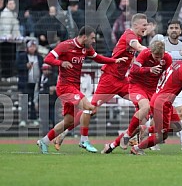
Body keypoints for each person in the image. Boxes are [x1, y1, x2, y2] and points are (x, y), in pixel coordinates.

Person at [53, 13, 147, 151]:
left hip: (122, 80)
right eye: (144, 25)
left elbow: (129, 53)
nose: (146, 27)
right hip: (109, 78)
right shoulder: (130, 36)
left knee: (142, 103)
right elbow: (137, 46)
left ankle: (132, 136)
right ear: (136, 24)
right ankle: (64, 132)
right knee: (91, 109)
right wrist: (152, 51)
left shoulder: (135, 37)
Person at [36, 25, 127, 154]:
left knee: (69, 121)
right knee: (89, 107)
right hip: (65, 87)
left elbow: (98, 58)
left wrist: (114, 61)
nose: (94, 41)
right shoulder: (65, 46)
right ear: (84, 37)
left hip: (74, 87)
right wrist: (61, 63)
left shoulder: (86, 48)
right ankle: (84, 140)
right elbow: (48, 59)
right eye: (92, 38)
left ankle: (43, 141)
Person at [130, 48, 182, 155]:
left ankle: (145, 129)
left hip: (159, 99)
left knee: (177, 126)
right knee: (162, 135)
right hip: (162, 103)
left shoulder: (176, 64)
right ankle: (137, 148)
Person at [101, 40, 172, 154]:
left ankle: (111, 145)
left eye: (160, 57)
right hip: (137, 86)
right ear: (151, 52)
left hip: (153, 90)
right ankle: (128, 136)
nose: (158, 60)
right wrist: (149, 69)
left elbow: (168, 76)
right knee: (146, 107)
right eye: (156, 57)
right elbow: (133, 70)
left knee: (141, 123)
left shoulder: (168, 58)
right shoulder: (144, 54)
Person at [151, 20, 182, 150]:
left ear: (180, 31)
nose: (174, 30)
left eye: (176, 28)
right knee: (158, 115)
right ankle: (154, 140)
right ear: (167, 31)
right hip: (162, 86)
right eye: (171, 28)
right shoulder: (162, 45)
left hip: (178, 87)